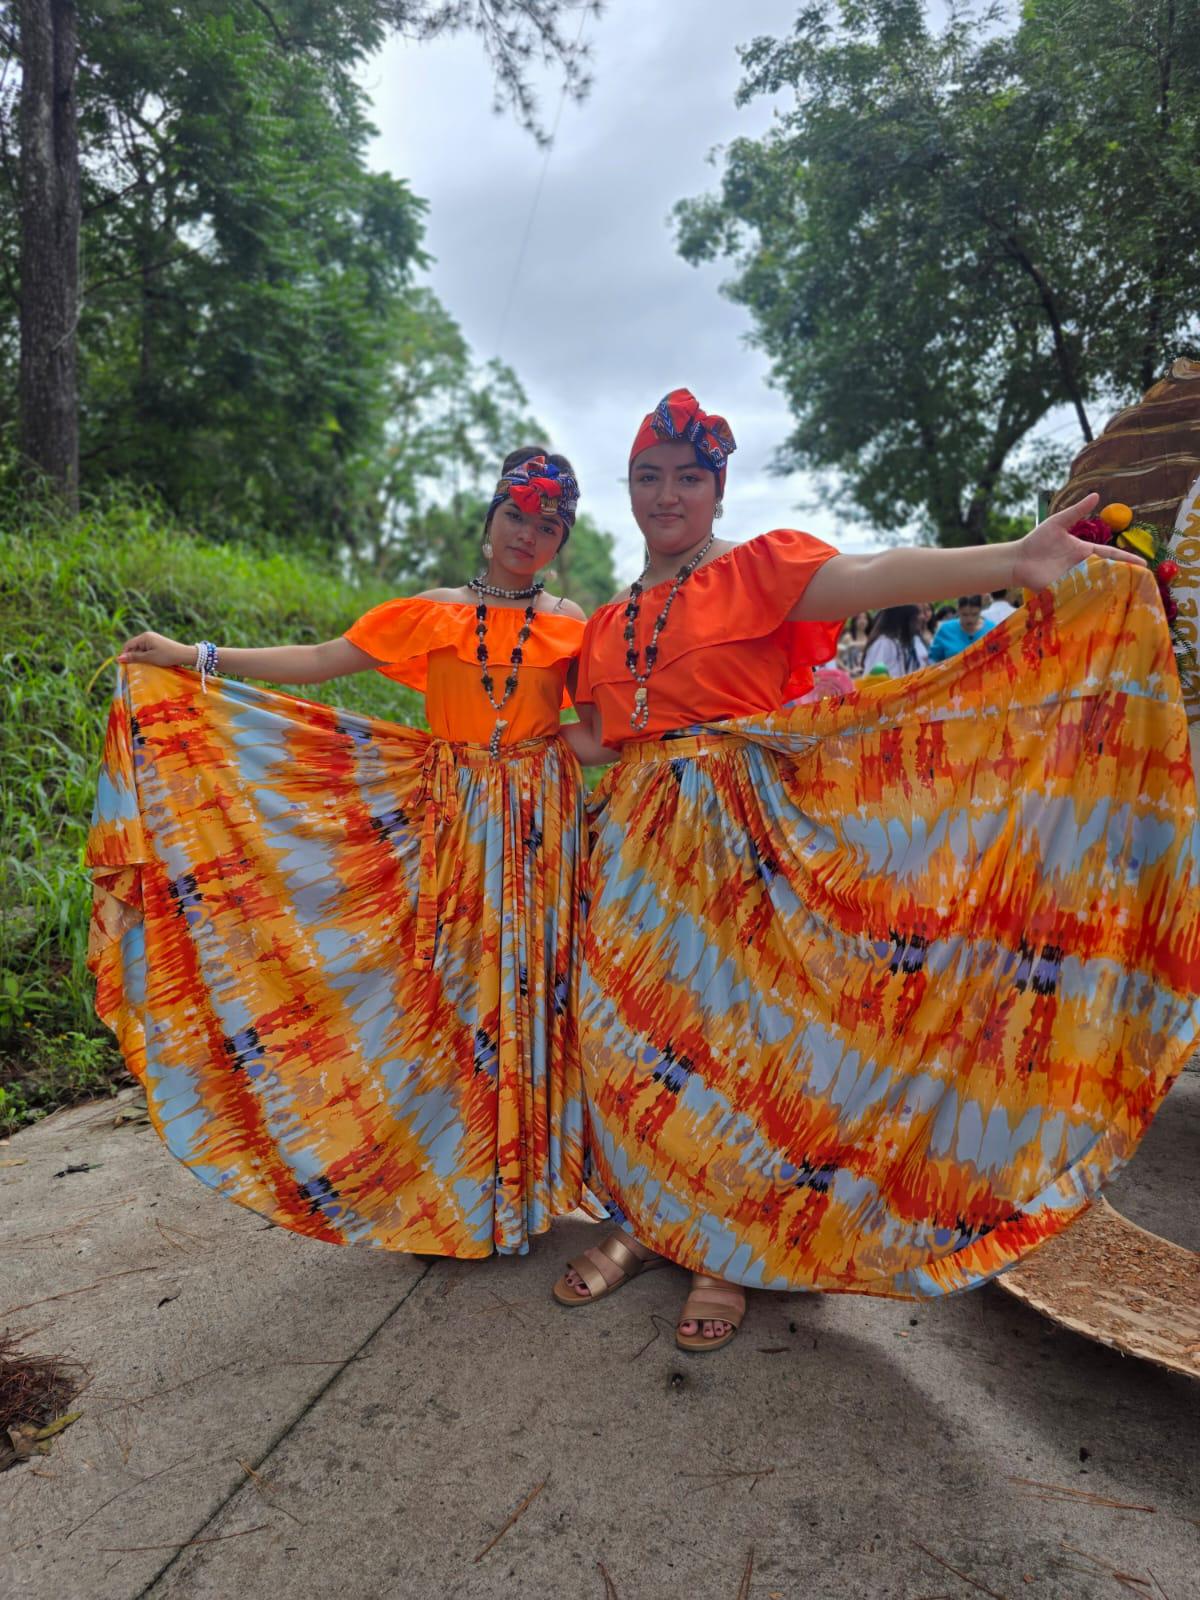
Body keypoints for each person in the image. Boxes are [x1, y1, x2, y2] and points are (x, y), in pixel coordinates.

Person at [553, 387, 1200, 1352]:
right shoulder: (606, 625)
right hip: (639, 857)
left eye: (689, 477)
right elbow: (596, 737)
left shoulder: (757, 571)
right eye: (649, 477)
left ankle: (720, 1250)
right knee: (633, 1041)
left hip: (747, 847)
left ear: (717, 491)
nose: (667, 494)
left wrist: (1014, 560)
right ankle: (642, 1221)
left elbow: (871, 571)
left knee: (739, 1051)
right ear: (630, 490)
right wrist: (476, 752)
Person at [88, 450, 599, 1259]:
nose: (526, 538)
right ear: (489, 519)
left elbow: (604, 727)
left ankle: (525, 1192)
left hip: (540, 828)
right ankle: (455, 1192)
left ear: (561, 537)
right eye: (515, 518)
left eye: (546, 526)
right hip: (452, 820)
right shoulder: (434, 610)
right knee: (450, 999)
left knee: (529, 998)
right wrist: (194, 658)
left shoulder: (575, 621)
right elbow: (323, 662)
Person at [860, 604, 929, 677]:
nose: (922, 617)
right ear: (903, 617)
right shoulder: (883, 644)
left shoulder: (906, 642)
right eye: (917, 614)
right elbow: (873, 680)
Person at [928, 594, 995, 661]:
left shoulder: (991, 629)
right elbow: (934, 659)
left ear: (980, 610)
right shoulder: (945, 630)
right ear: (958, 610)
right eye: (965, 614)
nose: (970, 619)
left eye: (974, 614)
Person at [836, 611, 872, 675]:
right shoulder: (848, 638)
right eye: (859, 618)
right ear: (854, 621)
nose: (862, 621)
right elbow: (837, 659)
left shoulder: (871, 638)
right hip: (851, 676)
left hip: (868, 675)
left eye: (865, 618)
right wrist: (849, 671)